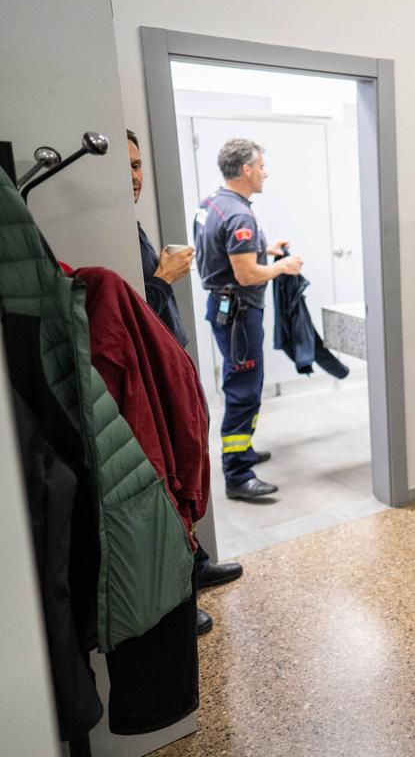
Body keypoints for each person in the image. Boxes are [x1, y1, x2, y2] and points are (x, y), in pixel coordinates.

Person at [127, 130, 243, 636]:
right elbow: (130, 315)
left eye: (137, 166)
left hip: (169, 363)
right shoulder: (234, 213)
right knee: (166, 481)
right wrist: (163, 276)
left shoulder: (139, 223)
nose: (134, 177)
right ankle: (174, 595)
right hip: (147, 377)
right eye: (125, 167)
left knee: (185, 465)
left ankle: (194, 565)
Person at [193, 138, 302, 500]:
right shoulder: (240, 214)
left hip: (225, 308)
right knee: (244, 390)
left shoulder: (213, 204)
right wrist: (282, 266)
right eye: (262, 166)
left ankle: (242, 449)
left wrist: (262, 249)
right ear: (246, 169)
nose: (265, 172)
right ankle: (238, 473)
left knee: (241, 381)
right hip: (240, 313)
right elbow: (246, 275)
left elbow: (220, 251)